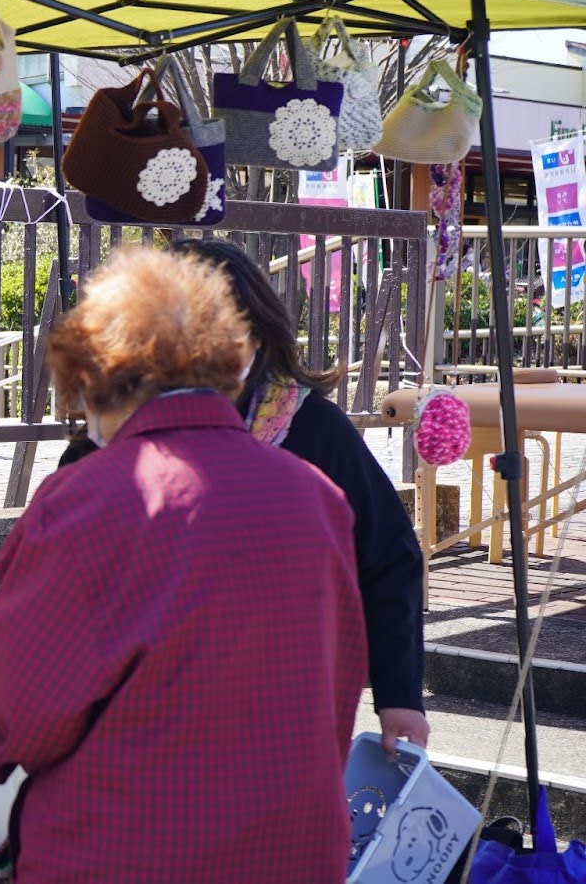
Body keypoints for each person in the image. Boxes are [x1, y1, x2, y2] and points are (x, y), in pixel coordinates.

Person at [0, 248, 366, 883]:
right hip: (297, 851)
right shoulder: (317, 497)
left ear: (93, 376)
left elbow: (20, 716)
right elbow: (337, 691)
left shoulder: (82, 501)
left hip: (127, 853)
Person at [169, 236, 428, 755]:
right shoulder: (117, 429)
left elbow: (388, 555)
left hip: (284, 693)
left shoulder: (311, 427)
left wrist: (399, 694)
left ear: (258, 334)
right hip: (156, 697)